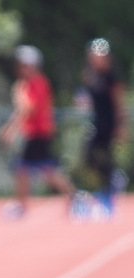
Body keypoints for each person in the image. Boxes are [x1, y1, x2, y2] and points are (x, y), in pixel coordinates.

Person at [0, 45, 75, 218]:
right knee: (40, 169)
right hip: (37, 133)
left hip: (39, 133)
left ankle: (22, 205)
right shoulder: (31, 83)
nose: (21, 68)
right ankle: (73, 198)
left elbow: (27, 109)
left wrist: (9, 130)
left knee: (30, 169)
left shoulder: (35, 83)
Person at [82, 37, 128, 213]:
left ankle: (109, 190)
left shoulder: (112, 77)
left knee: (106, 156)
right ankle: (112, 181)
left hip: (109, 123)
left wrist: (120, 126)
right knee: (89, 155)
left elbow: (119, 103)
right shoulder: (91, 75)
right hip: (96, 122)